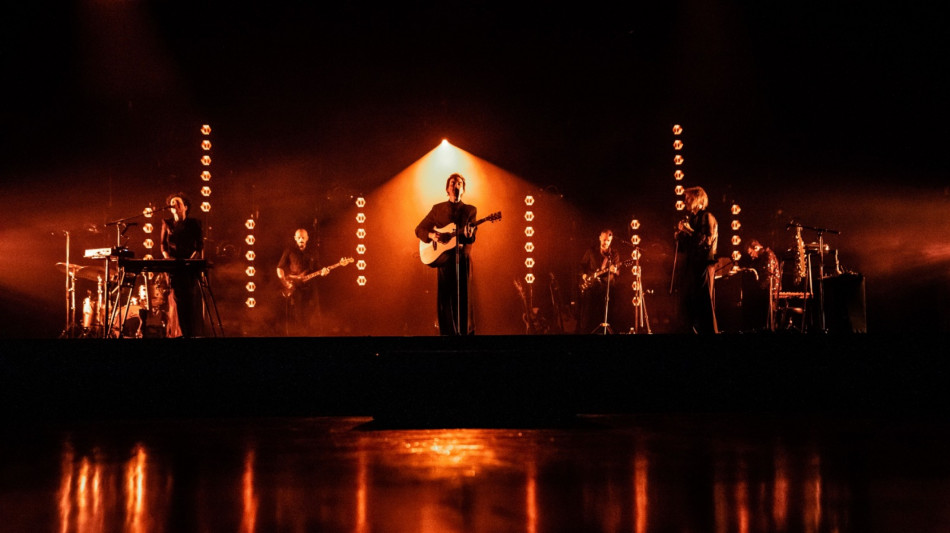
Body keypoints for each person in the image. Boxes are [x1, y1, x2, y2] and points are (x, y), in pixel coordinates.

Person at [415, 173, 478, 335]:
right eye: (452, 183)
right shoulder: (438, 209)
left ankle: (464, 336)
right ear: (447, 188)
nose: (455, 186)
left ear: (463, 189)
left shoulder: (470, 210)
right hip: (444, 261)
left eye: (459, 184)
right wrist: (432, 235)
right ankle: (447, 336)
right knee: (445, 300)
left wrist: (470, 235)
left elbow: (471, 238)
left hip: (462, 258)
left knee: (464, 299)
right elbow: (419, 229)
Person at [673, 186, 719, 334]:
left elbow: (706, 241)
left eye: (688, 198)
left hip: (704, 266)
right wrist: (680, 235)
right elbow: (685, 246)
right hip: (692, 267)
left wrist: (688, 230)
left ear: (698, 199)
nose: (685, 201)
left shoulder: (707, 216)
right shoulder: (692, 219)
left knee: (704, 303)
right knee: (689, 304)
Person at [160, 192, 203, 338]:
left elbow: (199, 246)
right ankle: (182, 333)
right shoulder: (167, 223)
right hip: (174, 267)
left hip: (189, 267)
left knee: (190, 300)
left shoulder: (194, 223)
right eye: (172, 204)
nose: (175, 205)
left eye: (178, 203)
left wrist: (190, 261)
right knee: (178, 300)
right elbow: (163, 245)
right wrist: (168, 259)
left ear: (185, 207)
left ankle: (190, 333)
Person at [276, 228, 329, 336]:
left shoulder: (313, 251)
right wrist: (284, 281)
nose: (301, 239)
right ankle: (300, 332)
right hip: (295, 286)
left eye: (303, 237)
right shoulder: (289, 250)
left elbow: (318, 268)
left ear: (307, 238)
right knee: (297, 310)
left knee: (313, 309)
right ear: (295, 238)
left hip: (310, 285)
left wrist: (323, 271)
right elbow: (279, 268)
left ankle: (311, 332)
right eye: (299, 237)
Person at [576, 228, 622, 334]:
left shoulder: (614, 254)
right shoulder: (591, 251)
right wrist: (584, 275)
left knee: (607, 315)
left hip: (607, 288)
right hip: (591, 287)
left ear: (611, 240)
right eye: (604, 239)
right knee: (587, 316)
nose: (606, 242)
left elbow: (618, 272)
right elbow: (581, 265)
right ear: (600, 238)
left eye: (608, 240)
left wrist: (615, 270)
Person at [740, 238, 780, 331]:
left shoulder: (768, 255)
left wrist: (756, 289)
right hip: (766, 292)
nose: (751, 256)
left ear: (756, 247)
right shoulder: (762, 257)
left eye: (751, 253)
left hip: (770, 293)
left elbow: (768, 277)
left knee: (767, 320)